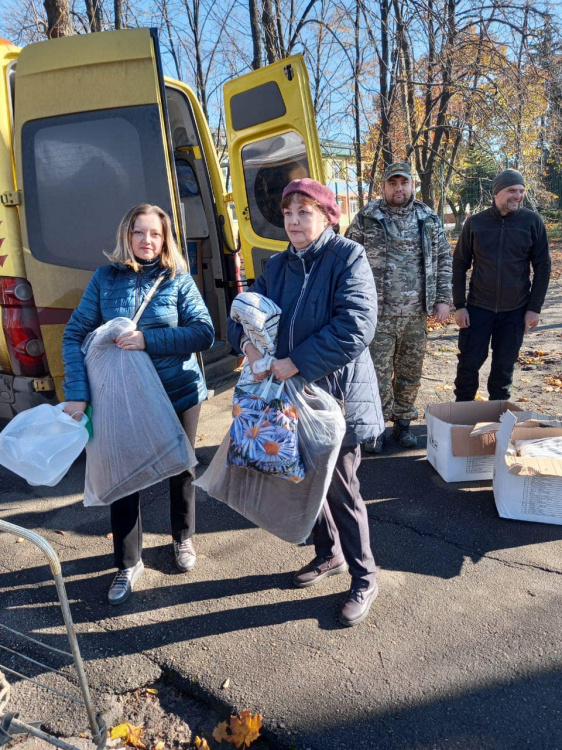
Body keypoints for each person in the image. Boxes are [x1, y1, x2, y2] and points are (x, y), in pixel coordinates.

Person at [228, 178, 383, 627]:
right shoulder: (276, 266)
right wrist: (250, 349)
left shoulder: (347, 257)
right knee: (303, 477)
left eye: (305, 212)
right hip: (288, 398)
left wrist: (294, 362)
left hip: (335, 396)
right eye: (289, 213)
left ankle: (364, 576)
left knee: (341, 487)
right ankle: (328, 552)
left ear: (328, 216)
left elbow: (355, 326)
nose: (294, 221)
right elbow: (242, 314)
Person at [62, 204, 214, 605]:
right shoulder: (105, 279)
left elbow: (204, 333)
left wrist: (150, 340)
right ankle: (128, 563)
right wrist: (77, 394)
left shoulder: (177, 279)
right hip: (121, 399)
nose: (148, 240)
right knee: (123, 478)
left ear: (166, 240)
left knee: (181, 469)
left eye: (156, 234)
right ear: (126, 236)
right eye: (139, 233)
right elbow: (74, 334)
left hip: (177, 392)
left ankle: (182, 538)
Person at [346, 162, 452, 453]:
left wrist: (443, 300)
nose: (398, 188)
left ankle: (403, 425)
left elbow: (443, 260)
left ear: (412, 185)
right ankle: (374, 429)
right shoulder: (367, 218)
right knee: (375, 375)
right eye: (392, 183)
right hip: (377, 315)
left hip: (416, 314)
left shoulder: (427, 218)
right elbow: (346, 262)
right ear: (383, 186)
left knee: (410, 374)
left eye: (403, 183)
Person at [453, 169, 551, 401]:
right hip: (477, 309)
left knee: (503, 371)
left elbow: (543, 267)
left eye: (521, 191)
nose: (517, 196)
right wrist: (460, 305)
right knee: (468, 366)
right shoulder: (476, 223)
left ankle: (497, 425)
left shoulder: (532, 222)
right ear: (496, 193)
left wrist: (533, 308)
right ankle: (461, 420)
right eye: (511, 191)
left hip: (515, 311)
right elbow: (459, 264)